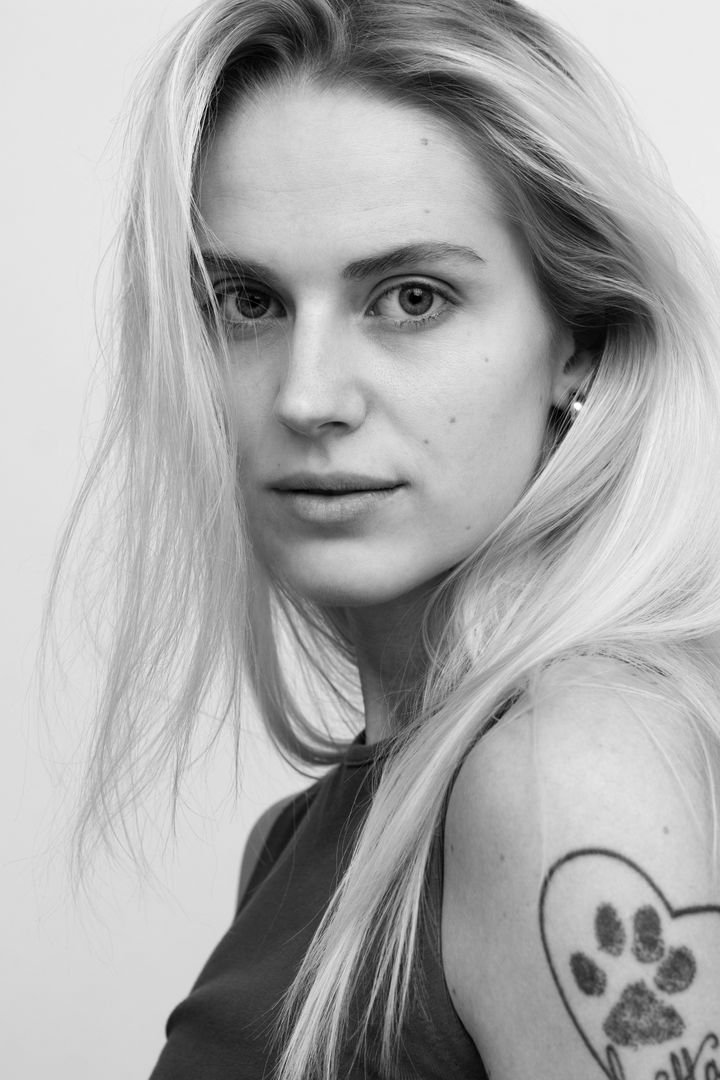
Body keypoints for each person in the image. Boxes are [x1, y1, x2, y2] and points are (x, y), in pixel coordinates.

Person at [47, 0, 720, 1076]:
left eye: (411, 298)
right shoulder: (299, 844)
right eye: (249, 301)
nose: (307, 397)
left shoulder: (562, 777)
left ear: (580, 346)